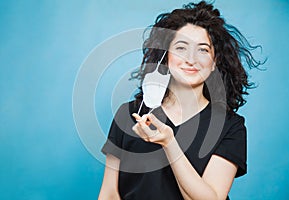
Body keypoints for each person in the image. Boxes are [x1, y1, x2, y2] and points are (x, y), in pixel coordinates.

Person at [98, 1, 263, 199]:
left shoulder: (230, 126)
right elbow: (109, 194)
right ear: (165, 57)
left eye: (203, 50)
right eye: (181, 48)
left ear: (214, 63)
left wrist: (170, 143)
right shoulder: (130, 114)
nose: (191, 59)